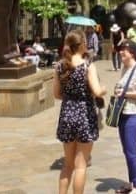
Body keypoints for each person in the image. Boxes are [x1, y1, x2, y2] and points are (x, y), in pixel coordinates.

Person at [54, 30, 106, 194]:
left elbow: (56, 94)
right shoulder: (88, 66)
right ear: (82, 44)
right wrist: (103, 89)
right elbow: (97, 91)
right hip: (85, 115)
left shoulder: (60, 66)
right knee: (81, 166)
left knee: (67, 166)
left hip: (67, 115)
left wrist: (70, 97)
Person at [113, 41, 136, 194]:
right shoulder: (125, 68)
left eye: (125, 50)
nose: (122, 53)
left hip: (134, 114)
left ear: (133, 53)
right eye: (121, 50)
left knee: (131, 151)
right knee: (127, 150)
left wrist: (125, 94)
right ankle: (131, 183)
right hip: (123, 113)